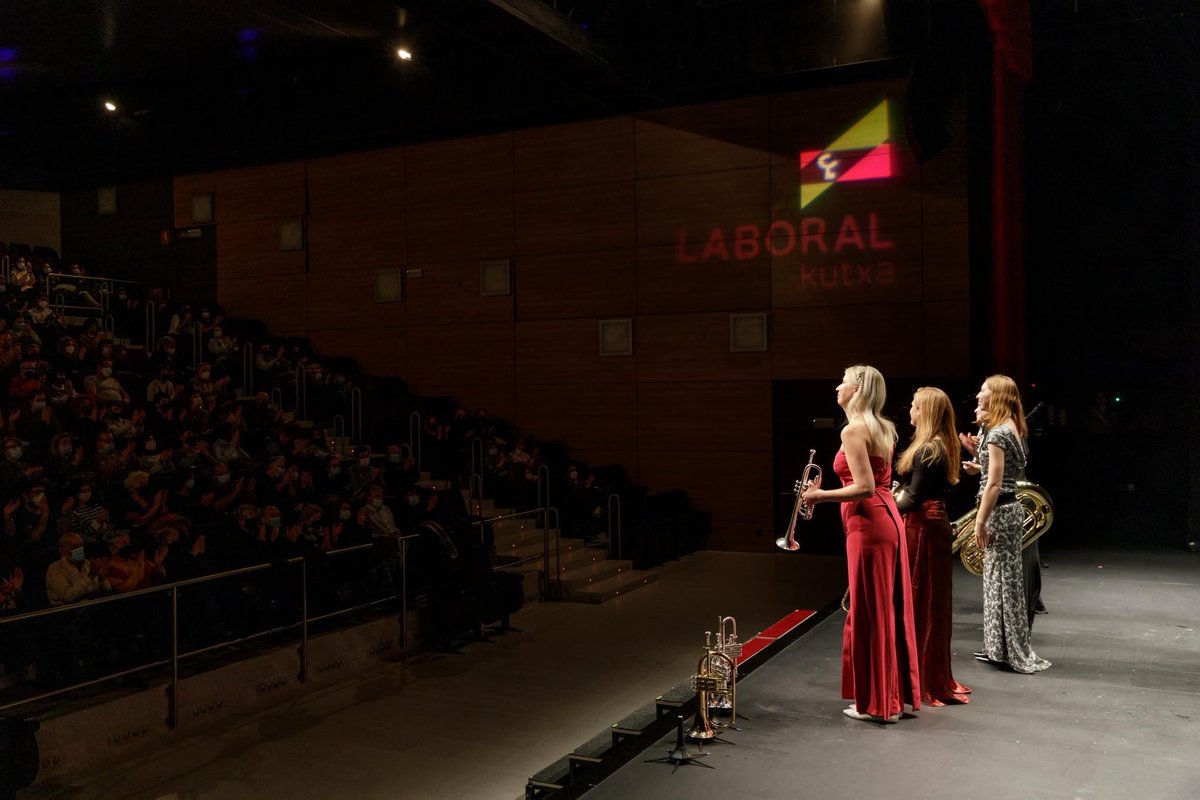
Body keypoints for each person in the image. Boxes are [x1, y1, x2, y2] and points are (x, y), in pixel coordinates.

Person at [801, 365, 920, 723]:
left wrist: (819, 495)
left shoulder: (854, 430)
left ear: (856, 390)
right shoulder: (883, 428)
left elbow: (865, 487)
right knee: (885, 606)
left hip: (869, 524)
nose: (838, 385)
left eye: (844, 381)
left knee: (870, 608)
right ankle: (890, 696)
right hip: (885, 521)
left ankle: (879, 703)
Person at [962, 375, 1050, 674]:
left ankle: (1008, 650)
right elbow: (997, 472)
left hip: (1000, 512)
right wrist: (980, 464)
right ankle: (999, 648)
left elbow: (995, 483)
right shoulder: (1010, 425)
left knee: (1002, 583)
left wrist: (980, 520)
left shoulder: (998, 432)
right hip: (1009, 510)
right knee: (1000, 582)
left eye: (983, 390)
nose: (978, 395)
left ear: (996, 396)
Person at [895, 387, 971, 706]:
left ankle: (918, 677)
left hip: (923, 530)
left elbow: (912, 499)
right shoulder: (941, 445)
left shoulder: (928, 448)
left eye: (913, 406)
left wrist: (882, 502)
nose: (910, 410)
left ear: (924, 412)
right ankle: (928, 672)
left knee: (920, 601)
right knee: (932, 604)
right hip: (933, 526)